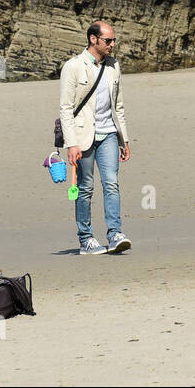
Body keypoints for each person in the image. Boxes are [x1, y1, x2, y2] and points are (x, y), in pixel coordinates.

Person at [59, 21, 131, 255]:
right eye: (108, 41)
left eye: (113, 41)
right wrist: (72, 143)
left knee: (111, 183)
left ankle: (115, 233)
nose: (112, 45)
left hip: (109, 133)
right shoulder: (73, 66)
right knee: (85, 187)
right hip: (82, 136)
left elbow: (118, 106)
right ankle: (86, 239)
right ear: (93, 39)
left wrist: (124, 139)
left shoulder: (114, 65)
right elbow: (66, 108)